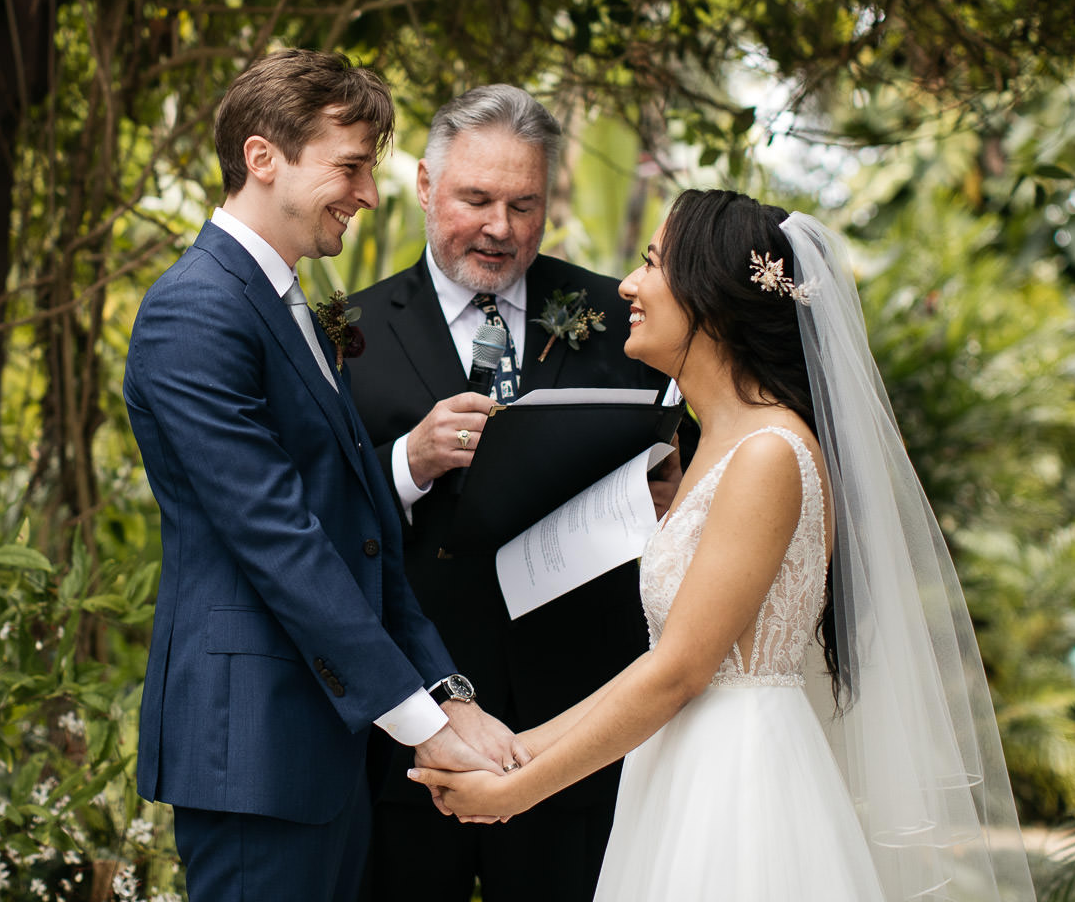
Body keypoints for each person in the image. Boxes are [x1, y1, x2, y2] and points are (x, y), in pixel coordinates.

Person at [410, 190, 1037, 902]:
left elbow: (678, 672)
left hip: (739, 789)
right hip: (680, 768)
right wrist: (513, 749)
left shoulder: (769, 454)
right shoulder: (714, 444)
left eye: (651, 264)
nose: (627, 287)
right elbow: (661, 667)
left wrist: (517, 790)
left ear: (710, 296)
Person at [122, 52, 525, 902]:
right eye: (349, 166)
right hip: (253, 749)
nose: (369, 193)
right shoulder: (196, 308)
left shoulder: (291, 304)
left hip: (319, 746)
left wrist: (447, 694)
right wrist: (422, 724)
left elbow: (362, 529)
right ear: (263, 158)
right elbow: (280, 541)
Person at [347, 85, 671, 902]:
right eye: (477, 199)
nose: (499, 228)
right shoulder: (345, 331)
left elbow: (684, 465)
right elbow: (312, 521)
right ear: (425, 186)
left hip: (581, 717)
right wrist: (407, 465)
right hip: (415, 720)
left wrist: (662, 486)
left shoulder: (618, 313)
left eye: (524, 205)